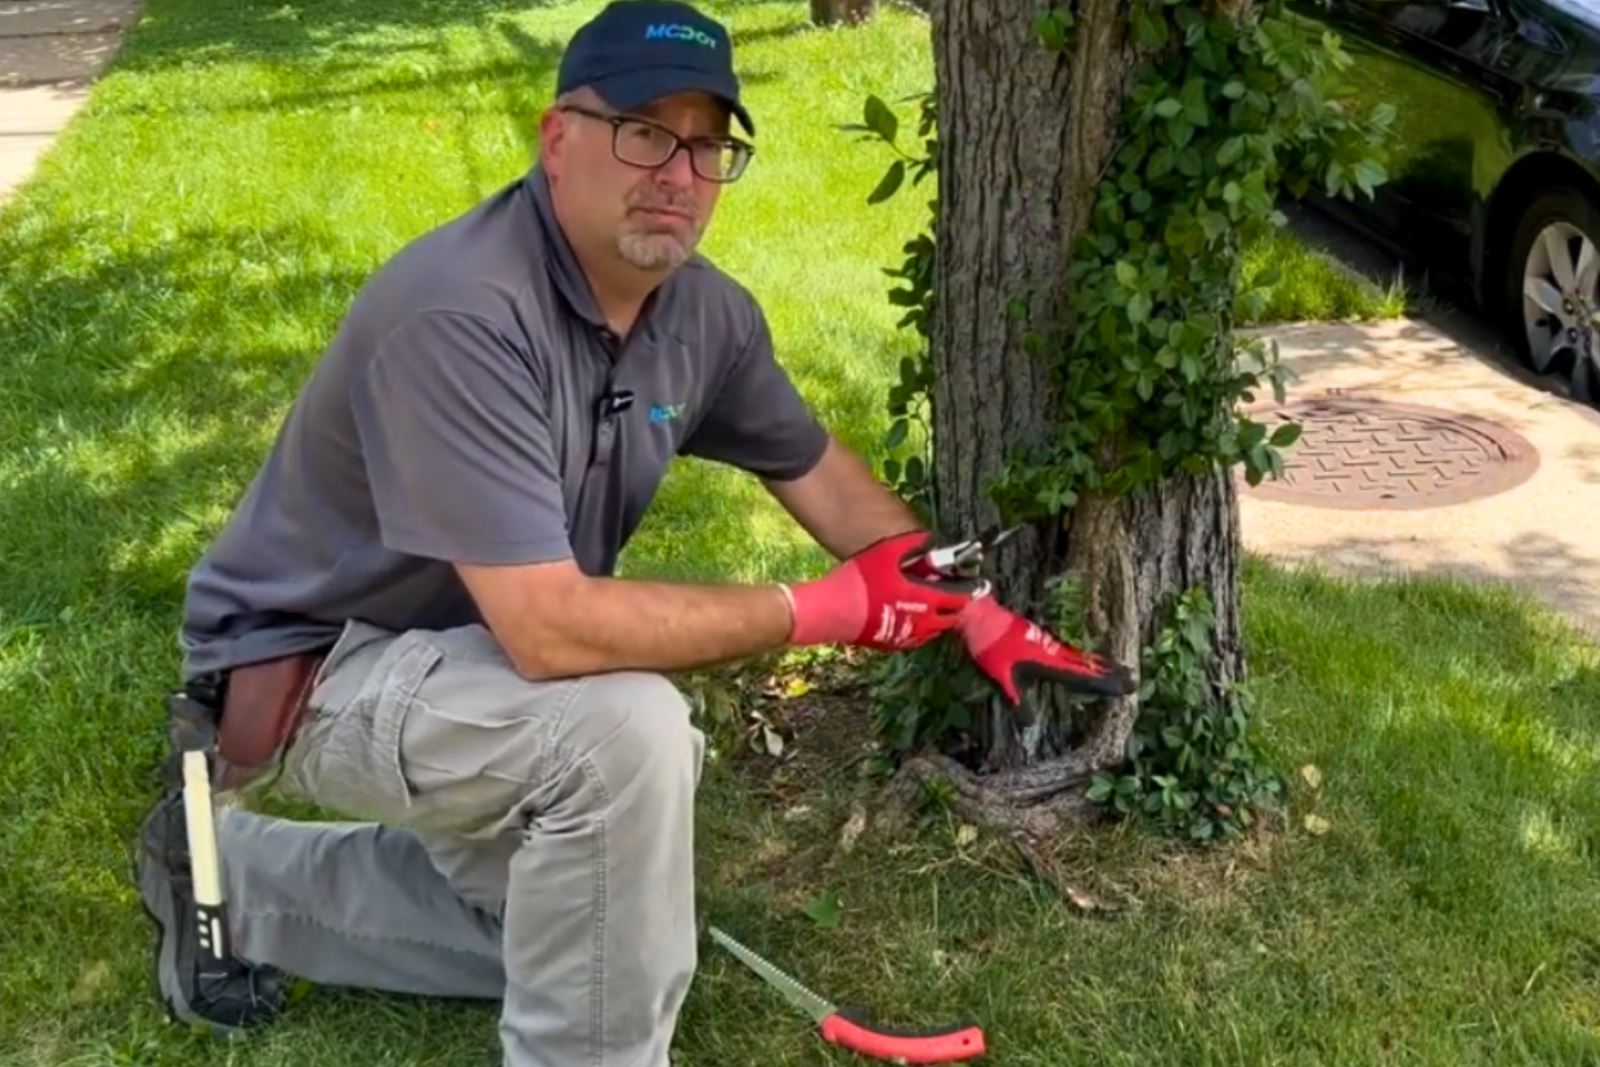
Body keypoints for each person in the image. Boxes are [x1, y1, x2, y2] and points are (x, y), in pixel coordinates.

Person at [133, 1, 1132, 1063]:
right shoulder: (463, 313)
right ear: (556, 138)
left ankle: (232, 875)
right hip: (318, 666)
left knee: (600, 936)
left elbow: (824, 479)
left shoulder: (700, 314)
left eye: (707, 145)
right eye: (645, 131)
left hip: (472, 660)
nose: (677, 171)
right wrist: (817, 611)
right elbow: (549, 630)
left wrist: (964, 605)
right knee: (625, 740)